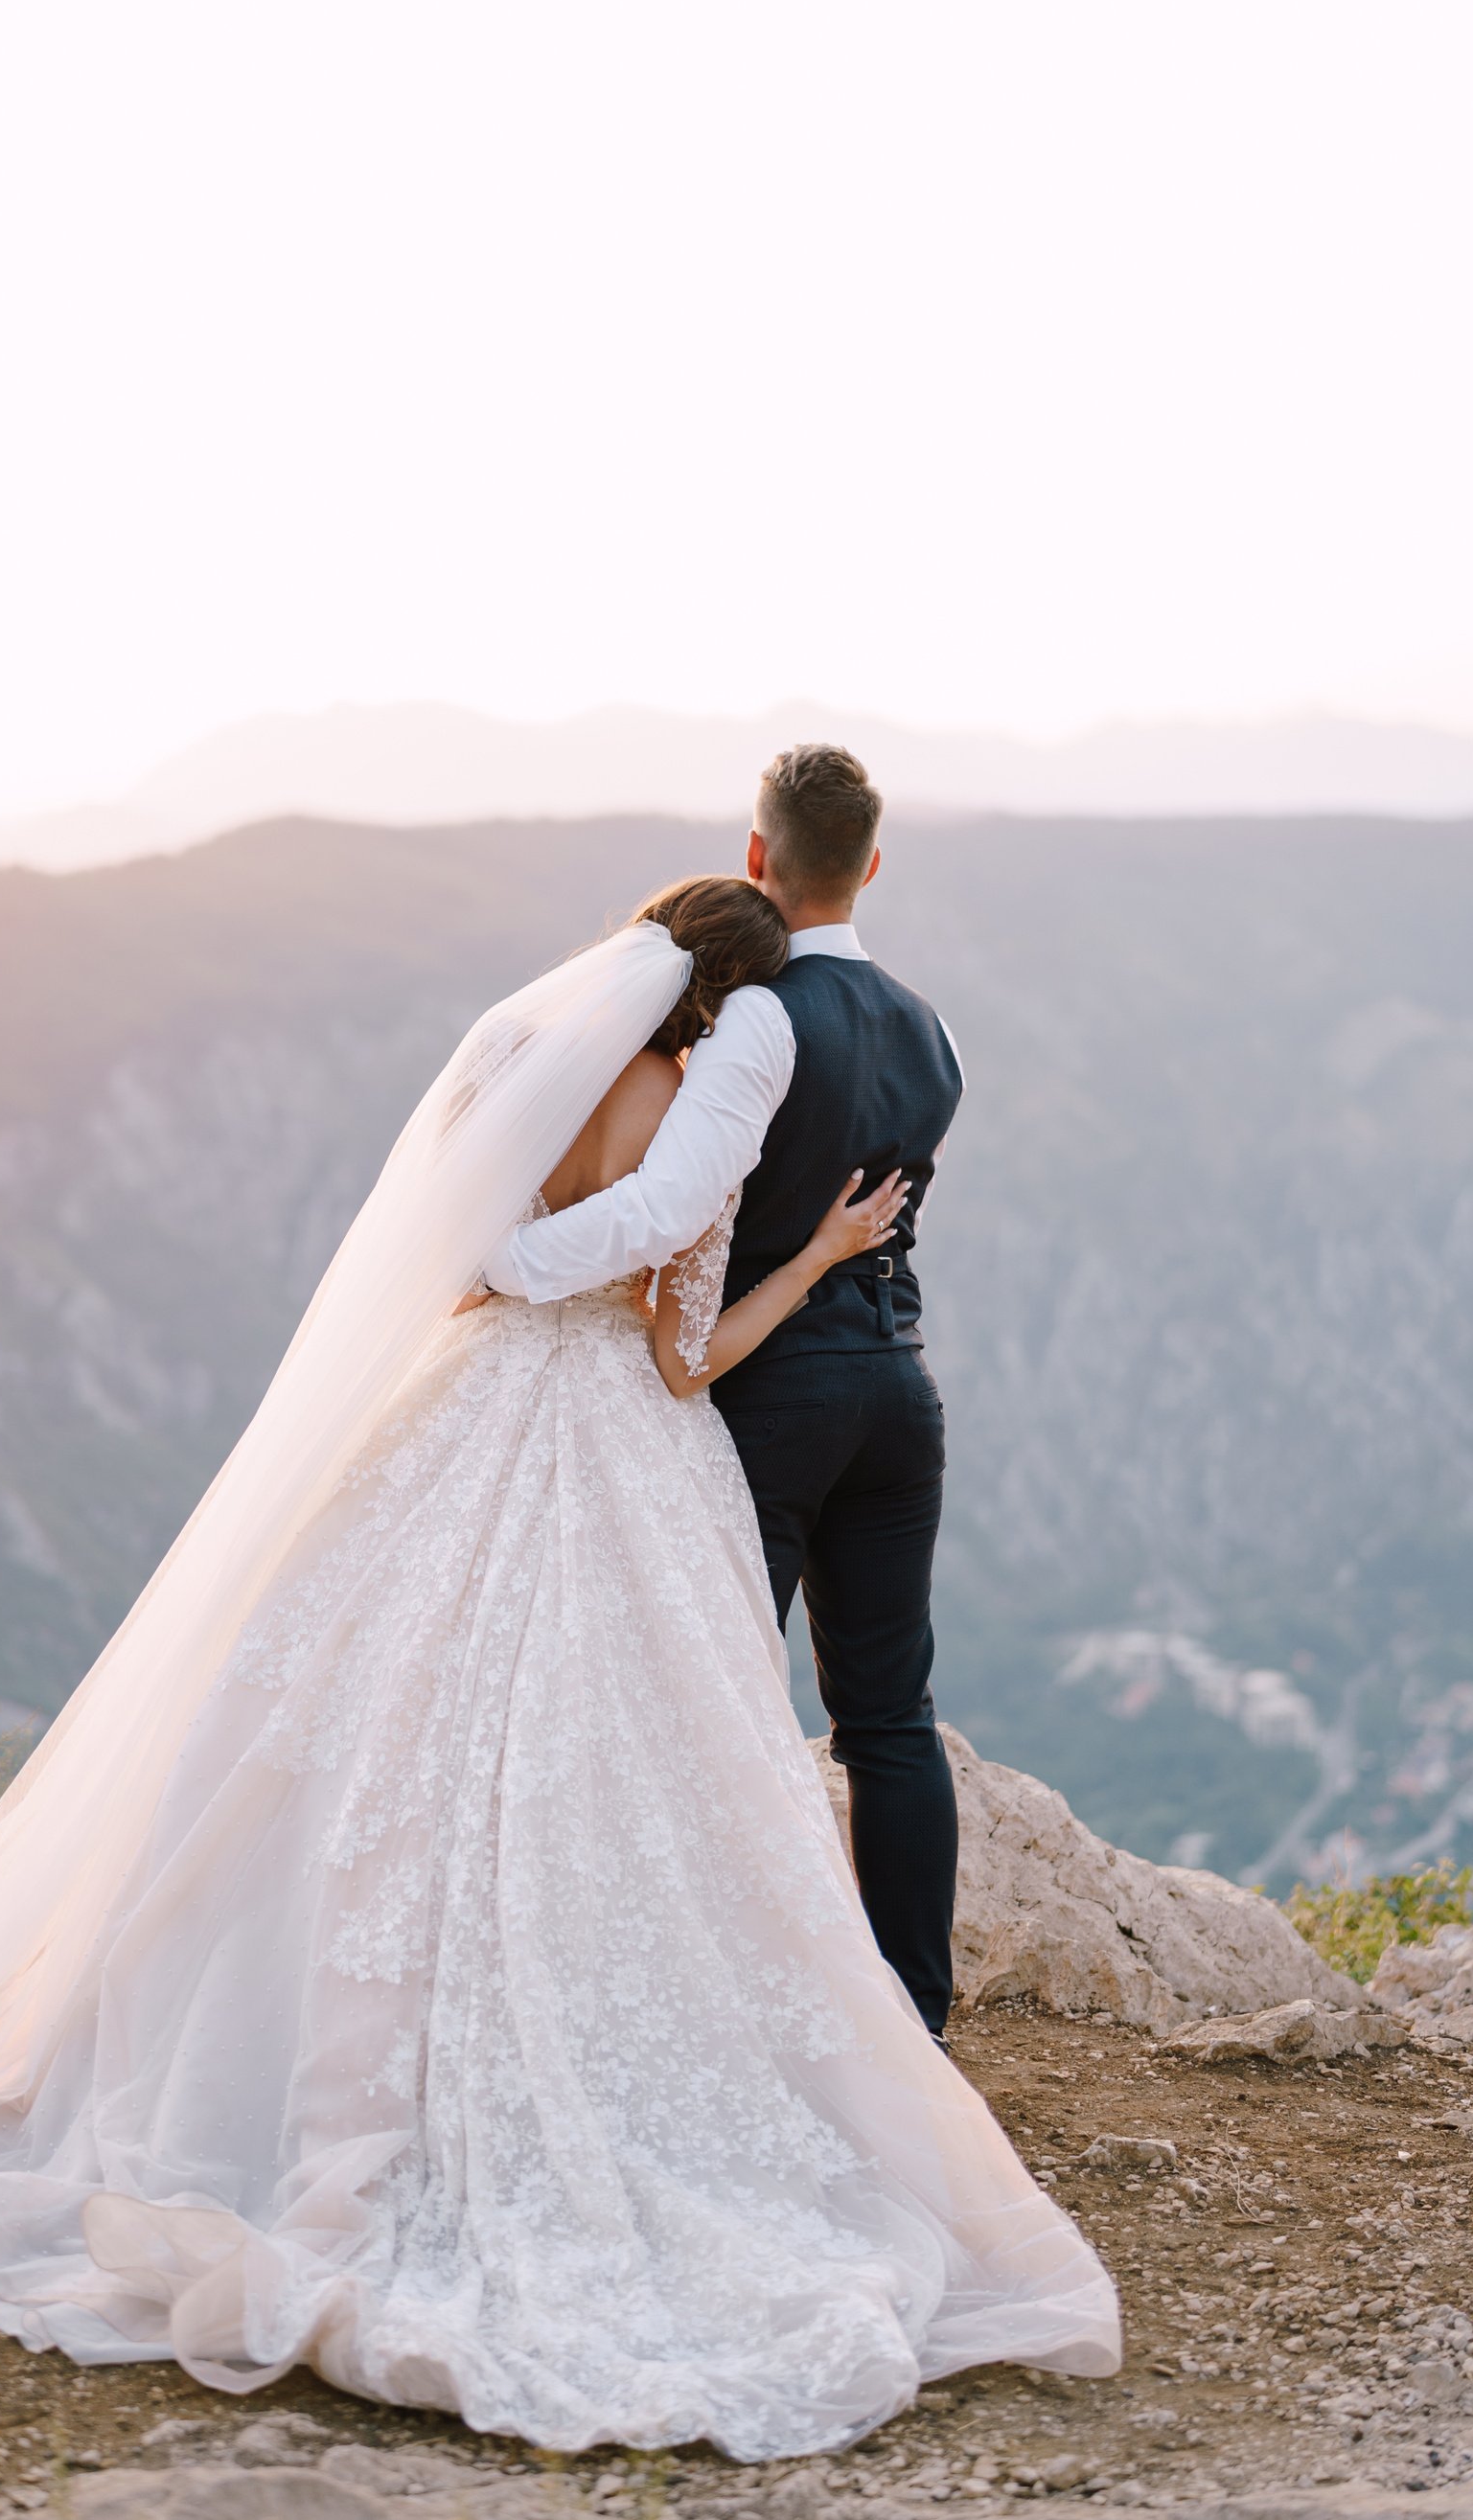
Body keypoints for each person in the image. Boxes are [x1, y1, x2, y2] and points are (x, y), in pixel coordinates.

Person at [0, 877, 1117, 2462]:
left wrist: (528, 1272)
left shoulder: (520, 1076)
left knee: (356, 1736)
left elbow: (461, 1258)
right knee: (611, 1777)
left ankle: (271, 2071)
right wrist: (814, 1261)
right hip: (615, 1450)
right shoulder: (691, 1123)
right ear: (728, 1013)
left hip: (448, 1419)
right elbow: (683, 1355)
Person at [486, 745, 964, 2039]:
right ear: (870, 864)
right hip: (897, 1394)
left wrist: (504, 1259)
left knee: (700, 1705)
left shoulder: (758, 1018)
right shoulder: (934, 1027)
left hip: (773, 1397)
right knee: (889, 1715)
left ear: (755, 855)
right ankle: (914, 2018)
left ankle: (689, 2001)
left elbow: (670, 1205)